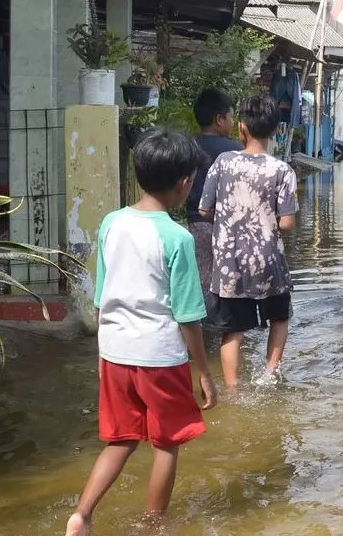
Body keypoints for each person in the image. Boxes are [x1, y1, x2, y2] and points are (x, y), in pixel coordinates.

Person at [66, 128, 217, 536]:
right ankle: (152, 527)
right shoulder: (177, 237)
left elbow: (102, 297)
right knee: (167, 444)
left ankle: (81, 515)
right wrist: (203, 373)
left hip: (115, 351)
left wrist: (102, 356)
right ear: (186, 183)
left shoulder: (112, 223)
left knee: (121, 440)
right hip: (159, 357)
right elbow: (188, 316)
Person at [199, 95, 298, 387]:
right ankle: (270, 374)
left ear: (242, 127)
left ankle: (232, 390)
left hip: (230, 264)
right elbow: (287, 223)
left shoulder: (223, 162)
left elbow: (205, 209)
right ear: (276, 130)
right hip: (269, 262)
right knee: (279, 318)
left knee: (233, 329)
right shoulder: (282, 170)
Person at [185, 89, 243, 331]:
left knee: (201, 278)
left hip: (196, 224)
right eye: (230, 117)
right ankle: (226, 331)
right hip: (227, 226)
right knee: (228, 281)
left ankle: (199, 331)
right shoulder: (235, 149)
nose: (232, 122)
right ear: (219, 118)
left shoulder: (188, 146)